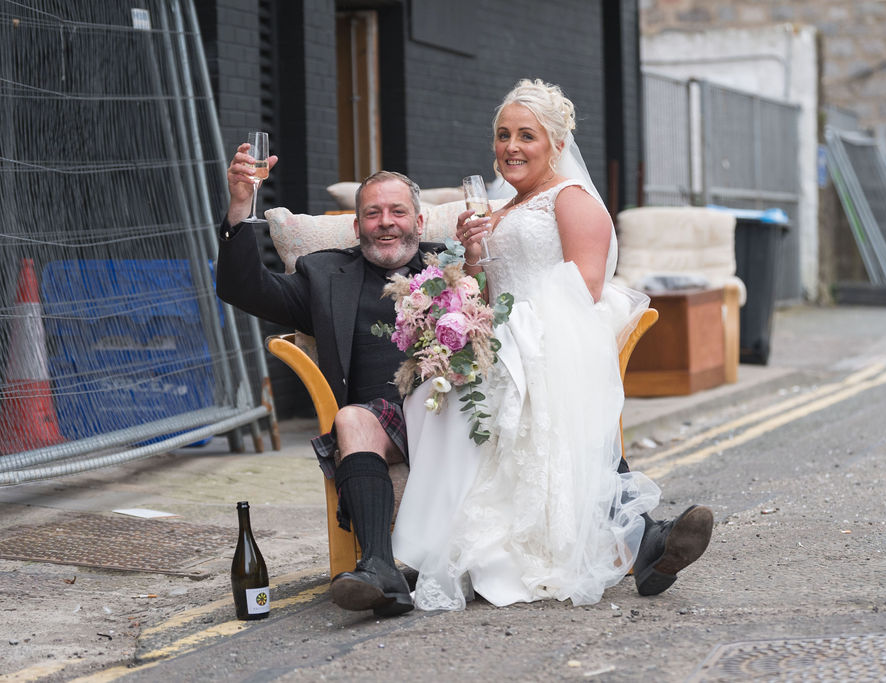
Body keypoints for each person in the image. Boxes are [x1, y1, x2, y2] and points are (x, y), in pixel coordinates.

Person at [391, 79, 714, 611]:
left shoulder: (571, 200)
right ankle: (647, 545)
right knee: (436, 392)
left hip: (548, 337)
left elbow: (584, 290)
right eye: (502, 135)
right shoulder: (501, 207)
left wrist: (505, 331)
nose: (511, 147)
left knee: (480, 391)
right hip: (503, 336)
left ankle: (642, 542)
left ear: (556, 144)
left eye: (526, 136)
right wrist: (471, 271)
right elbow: (488, 289)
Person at [216, 147, 441, 617]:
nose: (385, 222)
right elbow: (245, 289)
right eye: (372, 213)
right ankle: (380, 566)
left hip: (451, 411)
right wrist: (241, 209)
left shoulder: (453, 268)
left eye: (398, 212)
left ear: (419, 224)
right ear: (357, 227)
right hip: (385, 419)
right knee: (351, 420)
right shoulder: (324, 275)